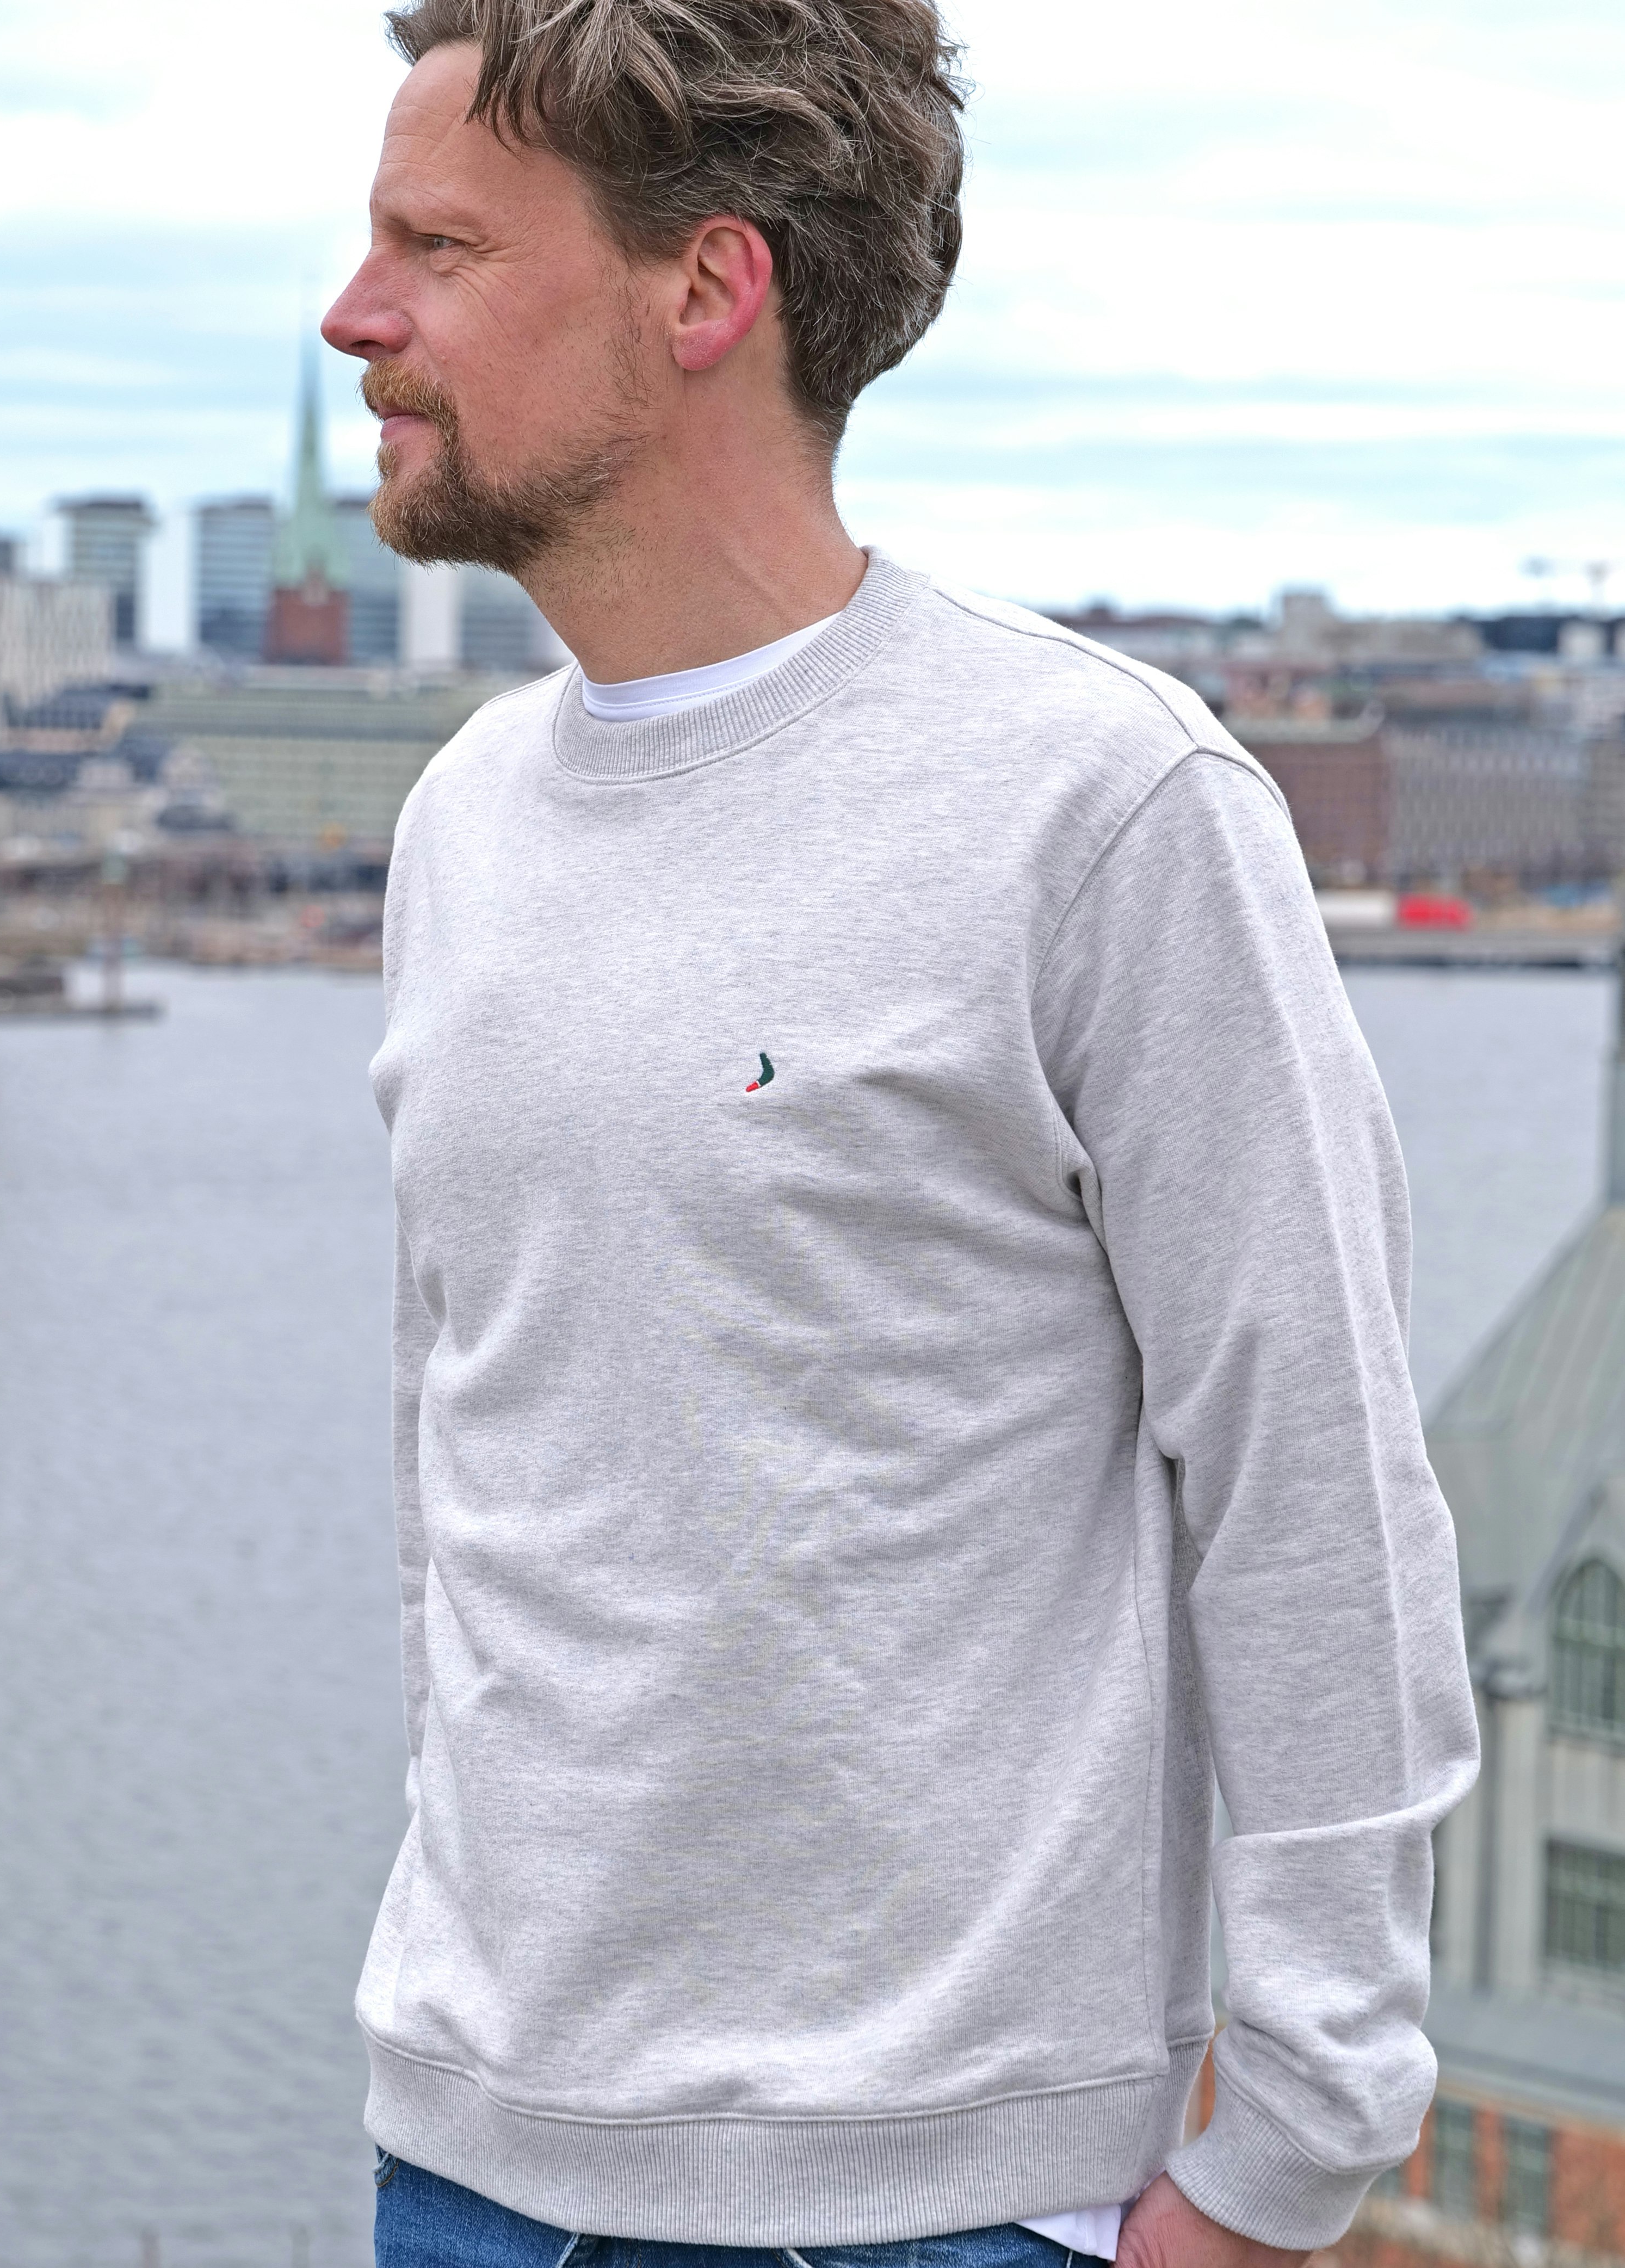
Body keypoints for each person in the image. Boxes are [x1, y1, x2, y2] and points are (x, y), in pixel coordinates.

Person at [321, 5, 1478, 2266]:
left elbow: (1316, 1493)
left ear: (706, 288)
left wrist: (1282, 2157)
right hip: (463, 2171)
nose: (358, 314)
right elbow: (466, 1478)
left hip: (946, 2212)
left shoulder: (1103, 806)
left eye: (438, 248)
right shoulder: (463, 821)